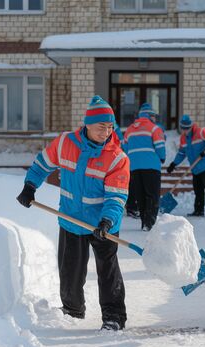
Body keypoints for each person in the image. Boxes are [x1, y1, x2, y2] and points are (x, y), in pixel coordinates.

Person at [16, 95, 130, 331]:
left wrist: (108, 221)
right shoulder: (64, 143)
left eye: (110, 127)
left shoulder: (117, 158)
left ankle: (114, 317)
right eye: (101, 127)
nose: (106, 132)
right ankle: (72, 310)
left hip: (103, 224)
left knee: (108, 272)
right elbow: (42, 164)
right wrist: (29, 186)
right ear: (87, 124)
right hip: (71, 220)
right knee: (70, 271)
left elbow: (116, 197)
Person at [123, 102, 166, 231]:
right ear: (149, 115)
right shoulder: (154, 128)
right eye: (153, 116)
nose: (154, 118)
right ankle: (150, 222)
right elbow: (160, 147)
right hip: (151, 167)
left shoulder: (129, 129)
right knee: (152, 195)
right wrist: (162, 157)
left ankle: (143, 222)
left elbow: (124, 148)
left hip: (134, 167)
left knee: (140, 195)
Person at [167, 114, 205, 216]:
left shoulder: (201, 132)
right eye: (183, 129)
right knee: (198, 189)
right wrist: (173, 164)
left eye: (187, 128)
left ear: (191, 126)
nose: (185, 131)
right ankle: (199, 210)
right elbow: (182, 153)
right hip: (195, 167)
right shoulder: (183, 138)